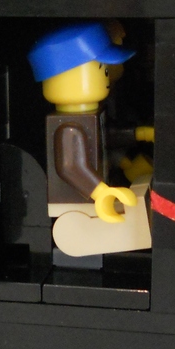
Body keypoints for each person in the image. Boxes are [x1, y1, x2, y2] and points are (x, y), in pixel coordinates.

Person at [28, 23, 154, 257]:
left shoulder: (92, 116)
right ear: (67, 74)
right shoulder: (68, 126)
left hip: (99, 185)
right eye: (102, 69)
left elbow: (109, 135)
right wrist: (100, 193)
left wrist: (140, 133)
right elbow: (71, 167)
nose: (108, 75)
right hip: (80, 197)